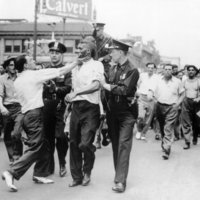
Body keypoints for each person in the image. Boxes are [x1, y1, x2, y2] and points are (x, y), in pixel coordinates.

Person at [1, 55, 77, 192]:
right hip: (34, 114)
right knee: (36, 147)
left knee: (45, 144)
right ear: (25, 66)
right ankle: (12, 171)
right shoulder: (33, 75)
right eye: (31, 61)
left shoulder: (18, 80)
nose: (34, 62)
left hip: (26, 115)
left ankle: (39, 173)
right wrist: (76, 62)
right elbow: (60, 71)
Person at [100, 39, 139, 193]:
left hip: (127, 114)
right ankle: (119, 176)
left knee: (123, 145)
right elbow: (106, 92)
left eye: (113, 51)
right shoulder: (112, 68)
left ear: (121, 52)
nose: (110, 53)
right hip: (112, 113)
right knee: (116, 145)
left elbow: (125, 90)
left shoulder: (132, 70)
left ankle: (120, 181)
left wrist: (107, 85)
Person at [65, 39, 104, 187]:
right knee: (74, 143)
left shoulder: (97, 65)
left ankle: (87, 170)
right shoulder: (76, 66)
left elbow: (95, 85)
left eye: (81, 48)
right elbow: (72, 88)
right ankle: (77, 176)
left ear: (88, 51)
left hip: (90, 107)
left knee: (85, 143)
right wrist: (68, 102)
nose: (78, 50)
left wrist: (77, 93)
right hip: (76, 107)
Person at [42, 41, 71, 177]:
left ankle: (62, 162)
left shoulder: (65, 70)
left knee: (60, 136)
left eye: (57, 53)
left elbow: (68, 87)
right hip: (47, 106)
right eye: (52, 53)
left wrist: (57, 89)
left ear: (62, 55)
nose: (54, 55)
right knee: (48, 138)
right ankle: (49, 166)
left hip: (61, 106)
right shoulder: (44, 69)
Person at [149, 64, 184, 160]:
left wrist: (177, 104)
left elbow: (182, 94)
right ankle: (164, 142)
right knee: (161, 127)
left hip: (172, 107)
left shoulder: (177, 81)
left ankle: (167, 149)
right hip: (159, 106)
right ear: (163, 70)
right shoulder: (158, 80)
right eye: (166, 69)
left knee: (168, 128)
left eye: (170, 69)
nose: (168, 71)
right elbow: (151, 90)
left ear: (172, 71)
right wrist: (151, 95)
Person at [0, 57, 23, 163]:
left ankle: (18, 154)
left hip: (20, 107)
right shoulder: (2, 78)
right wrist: (1, 108)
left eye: (15, 65)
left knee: (16, 133)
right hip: (7, 108)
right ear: (6, 67)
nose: (13, 67)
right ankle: (12, 157)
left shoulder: (21, 77)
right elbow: (0, 94)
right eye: (11, 65)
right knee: (8, 134)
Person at [136, 62, 158, 140]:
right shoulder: (142, 75)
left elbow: (157, 88)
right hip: (142, 97)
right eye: (149, 67)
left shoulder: (157, 77)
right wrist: (140, 91)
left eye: (152, 68)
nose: (150, 69)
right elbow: (138, 83)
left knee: (148, 118)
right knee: (140, 116)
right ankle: (139, 130)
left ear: (154, 69)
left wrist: (153, 94)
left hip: (151, 99)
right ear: (146, 68)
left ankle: (143, 133)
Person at [181, 65, 200, 149]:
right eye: (189, 70)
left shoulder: (198, 81)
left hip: (197, 104)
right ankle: (187, 142)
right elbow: (181, 92)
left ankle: (195, 137)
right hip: (186, 102)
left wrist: (198, 98)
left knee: (196, 123)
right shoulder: (184, 81)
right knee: (186, 123)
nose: (191, 71)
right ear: (187, 72)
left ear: (195, 72)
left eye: (192, 70)